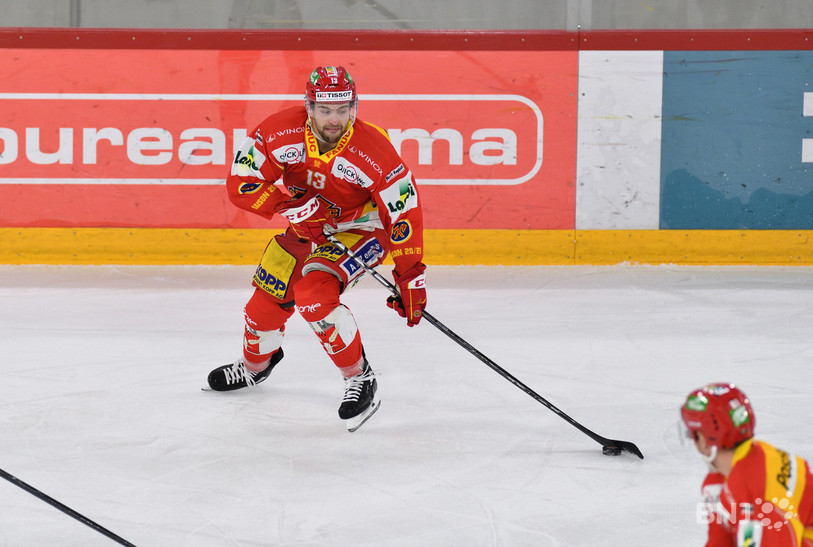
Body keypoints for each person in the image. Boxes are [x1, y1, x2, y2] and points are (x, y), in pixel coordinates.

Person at [206, 66, 426, 432]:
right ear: (309, 107)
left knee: (313, 294)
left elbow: (404, 211)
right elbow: (241, 181)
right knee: (262, 310)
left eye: (343, 109)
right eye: (325, 110)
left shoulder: (374, 149)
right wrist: (284, 206)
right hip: (303, 227)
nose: (335, 119)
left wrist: (410, 274)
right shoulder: (278, 131)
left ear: (354, 107)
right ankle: (255, 369)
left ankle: (359, 376)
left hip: (360, 229)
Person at [681, 383, 813, 546]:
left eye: (693, 434)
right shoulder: (722, 478)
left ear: (704, 441)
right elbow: (719, 540)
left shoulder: (755, 489)